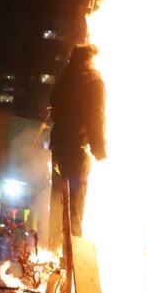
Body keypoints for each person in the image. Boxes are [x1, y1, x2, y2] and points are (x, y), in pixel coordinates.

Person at [48, 45, 106, 242]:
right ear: (89, 59)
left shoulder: (63, 80)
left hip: (58, 147)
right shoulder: (93, 80)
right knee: (75, 199)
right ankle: (73, 242)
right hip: (77, 148)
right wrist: (99, 151)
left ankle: (55, 243)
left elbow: (54, 111)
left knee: (58, 198)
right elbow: (96, 118)